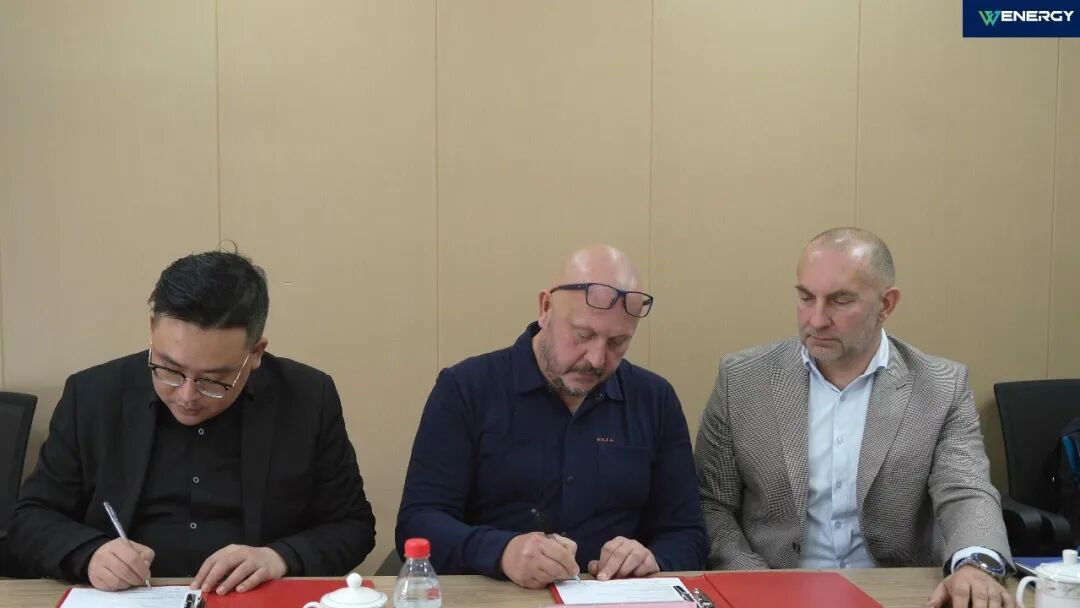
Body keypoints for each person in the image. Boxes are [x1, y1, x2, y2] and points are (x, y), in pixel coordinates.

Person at [10, 251, 376, 595]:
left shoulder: (307, 398)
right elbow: (30, 518)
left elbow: (352, 526)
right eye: (169, 370)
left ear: (255, 353)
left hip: (252, 598)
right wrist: (89, 554)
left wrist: (279, 557)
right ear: (152, 329)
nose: (186, 395)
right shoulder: (92, 395)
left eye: (213, 380)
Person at [695, 227, 1013, 608]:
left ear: (886, 304)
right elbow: (711, 504)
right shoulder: (743, 380)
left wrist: (975, 564)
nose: (816, 319)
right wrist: (760, 583)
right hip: (769, 590)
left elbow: (965, 491)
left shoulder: (940, 386)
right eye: (806, 298)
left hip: (897, 592)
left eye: (840, 301)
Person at [396, 245, 706, 589]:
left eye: (618, 342)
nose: (597, 359)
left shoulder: (654, 399)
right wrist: (501, 552)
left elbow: (687, 534)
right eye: (583, 334)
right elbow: (418, 522)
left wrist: (653, 560)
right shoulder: (466, 389)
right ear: (545, 308)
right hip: (494, 594)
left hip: (612, 596)